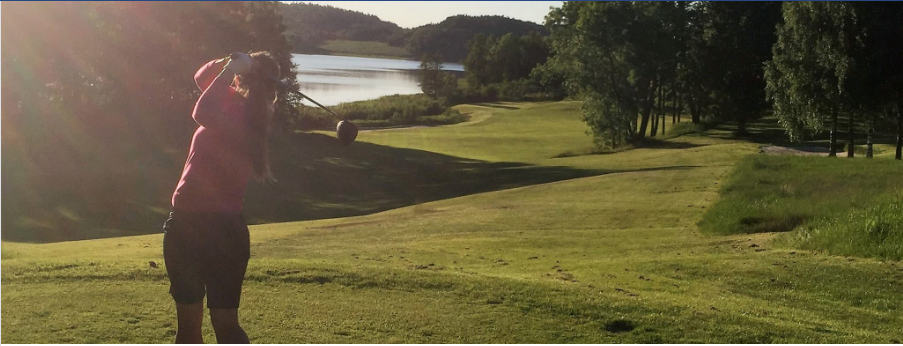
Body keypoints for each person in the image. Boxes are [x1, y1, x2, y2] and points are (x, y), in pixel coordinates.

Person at [162, 51, 280, 344]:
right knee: (192, 330)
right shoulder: (233, 104)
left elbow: (200, 112)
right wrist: (229, 60)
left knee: (221, 327)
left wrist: (233, 67)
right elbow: (202, 78)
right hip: (203, 227)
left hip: (209, 229)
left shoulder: (243, 116)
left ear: (243, 77)